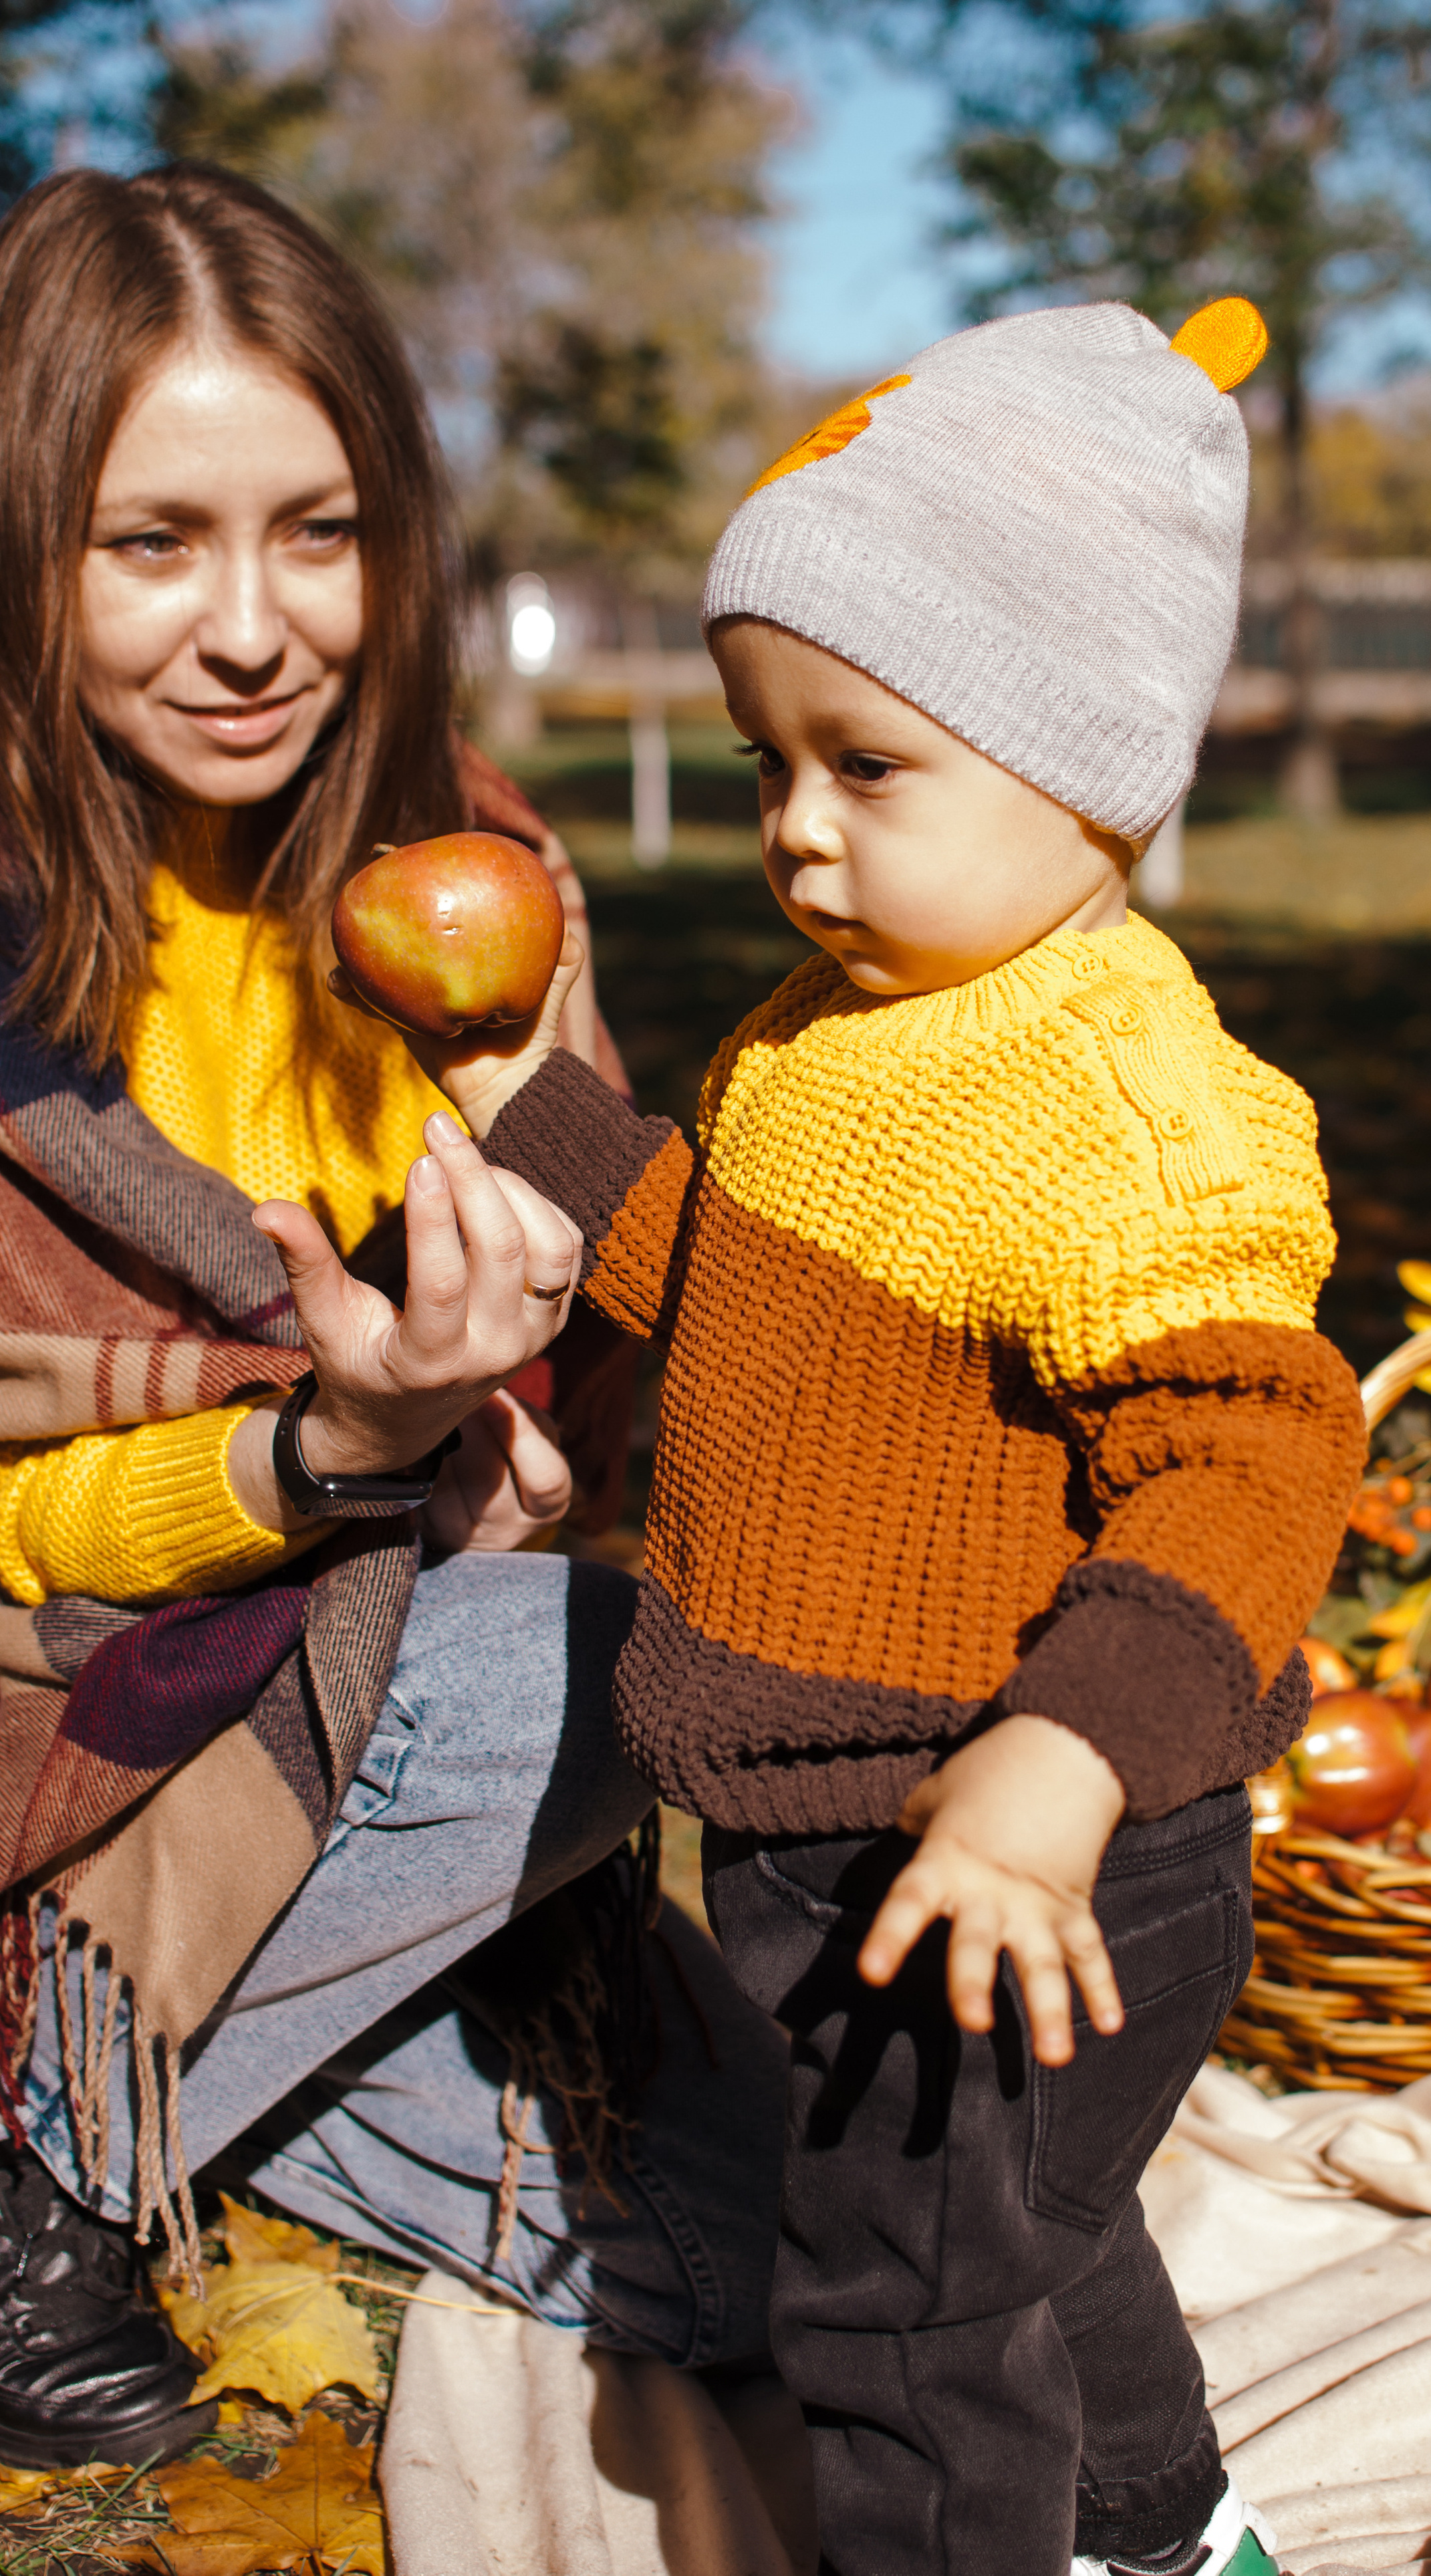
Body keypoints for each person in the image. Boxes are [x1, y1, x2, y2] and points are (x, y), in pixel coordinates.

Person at [389, 298, 1372, 2576]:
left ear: (1093, 767)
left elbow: (1255, 1452)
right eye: (767, 765)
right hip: (837, 1823)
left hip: (1035, 1828)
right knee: (1015, 2231)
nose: (798, 837)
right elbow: (726, 1288)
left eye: (869, 765)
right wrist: (531, 1116)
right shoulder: (840, 1029)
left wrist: (1064, 1761)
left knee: (896, 2317)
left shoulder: (1124, 1105)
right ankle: (1158, 2535)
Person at [0, 162, 785, 2474]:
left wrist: (521, 1453)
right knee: (613, 1653)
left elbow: (639, 1349)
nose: (254, 630)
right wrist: (340, 1463)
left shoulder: (471, 870)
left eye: (315, 533)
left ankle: (178, 2075)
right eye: (152, 543)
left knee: (764, 2264)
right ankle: (59, 2130)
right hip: (91, 1726)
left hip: (378, 1737)